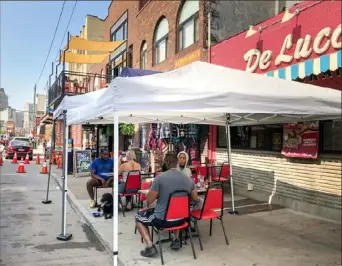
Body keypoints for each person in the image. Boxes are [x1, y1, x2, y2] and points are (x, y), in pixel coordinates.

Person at [135, 153, 198, 258]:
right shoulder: (188, 179)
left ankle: (150, 247)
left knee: (138, 216)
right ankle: (176, 239)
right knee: (176, 210)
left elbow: (149, 200)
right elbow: (195, 198)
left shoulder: (160, 178)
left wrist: (149, 193)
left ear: (167, 162)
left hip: (163, 220)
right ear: (177, 162)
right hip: (182, 220)